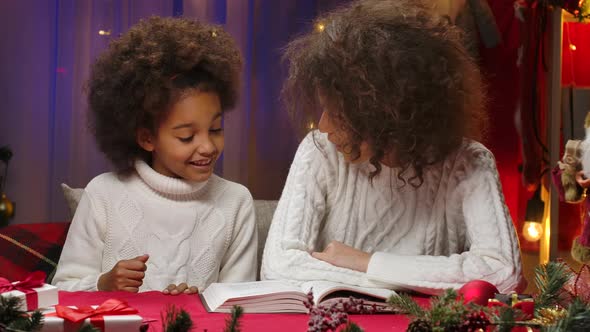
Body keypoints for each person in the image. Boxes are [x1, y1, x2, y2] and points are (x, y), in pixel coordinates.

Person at [261, 0, 525, 295]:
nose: (322, 126)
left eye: (337, 114)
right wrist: (409, 284)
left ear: (387, 116)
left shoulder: (468, 161)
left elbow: (502, 273)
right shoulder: (320, 151)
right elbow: (279, 266)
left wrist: (365, 262)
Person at [52, 17, 257, 294]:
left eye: (216, 129)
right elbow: (62, 290)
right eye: (186, 136)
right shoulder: (103, 194)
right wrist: (104, 284)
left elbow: (240, 305)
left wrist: (197, 306)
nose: (208, 146)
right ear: (147, 138)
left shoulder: (236, 202)